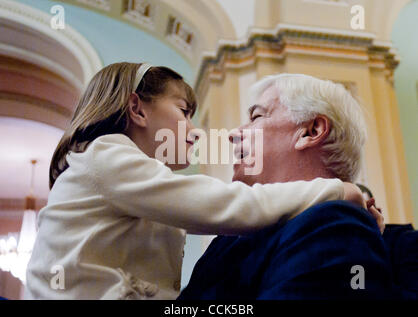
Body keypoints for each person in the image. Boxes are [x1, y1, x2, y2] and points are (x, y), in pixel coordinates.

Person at [25, 63, 361, 300]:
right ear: (137, 110)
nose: (198, 130)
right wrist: (337, 189)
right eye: (184, 112)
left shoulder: (332, 226)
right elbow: (225, 204)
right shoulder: (108, 156)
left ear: (312, 131)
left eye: (256, 116)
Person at [178, 74, 392, 300]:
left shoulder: (339, 226)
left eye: (256, 116)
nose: (233, 134)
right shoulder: (228, 239)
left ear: (311, 131)